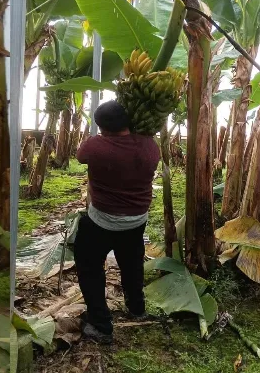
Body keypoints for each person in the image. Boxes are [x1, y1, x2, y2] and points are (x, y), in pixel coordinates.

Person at [74, 100, 161, 344]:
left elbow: (80, 156)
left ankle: (100, 325)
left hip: (102, 221)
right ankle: (137, 308)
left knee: (89, 266)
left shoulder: (95, 146)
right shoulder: (150, 147)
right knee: (132, 264)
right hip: (136, 220)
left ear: (100, 127)